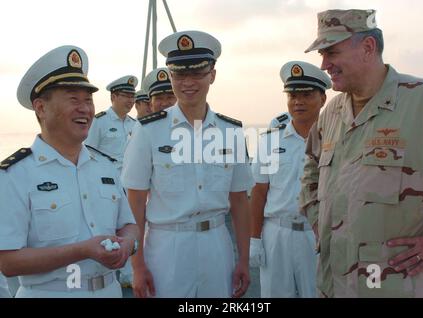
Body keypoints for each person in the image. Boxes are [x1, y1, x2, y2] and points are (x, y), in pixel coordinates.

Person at [300, 9, 423, 297]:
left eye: (331, 52)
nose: (324, 64)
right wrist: (320, 220)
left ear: (368, 47)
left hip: (399, 286)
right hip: (336, 285)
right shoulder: (332, 112)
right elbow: (311, 167)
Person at [121, 30, 253, 298]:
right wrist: (137, 265)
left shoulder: (231, 132)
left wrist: (243, 259)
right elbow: (135, 202)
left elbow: (239, 201)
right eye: (180, 75)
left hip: (217, 245)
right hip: (167, 248)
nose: (188, 82)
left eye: (197, 73)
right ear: (171, 77)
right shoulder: (148, 131)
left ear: (212, 75)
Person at [0, 45, 139, 298]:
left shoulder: (105, 166)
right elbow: (8, 261)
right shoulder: (15, 175)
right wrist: (82, 251)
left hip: (110, 290)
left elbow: (128, 224)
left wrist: (128, 244)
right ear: (40, 108)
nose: (85, 109)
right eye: (73, 99)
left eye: (88, 100)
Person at [250, 61, 330, 297]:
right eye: (293, 95)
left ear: (323, 99)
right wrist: (255, 239)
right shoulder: (270, 141)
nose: (298, 102)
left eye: (306, 95)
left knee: (318, 293)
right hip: (277, 233)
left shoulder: (336, 139)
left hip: (318, 235)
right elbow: (259, 193)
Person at [84, 75, 138, 171]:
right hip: (106, 179)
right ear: (113, 97)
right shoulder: (99, 121)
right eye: (126, 96)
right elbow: (89, 153)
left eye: (133, 96)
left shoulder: (135, 124)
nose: (131, 101)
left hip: (129, 180)